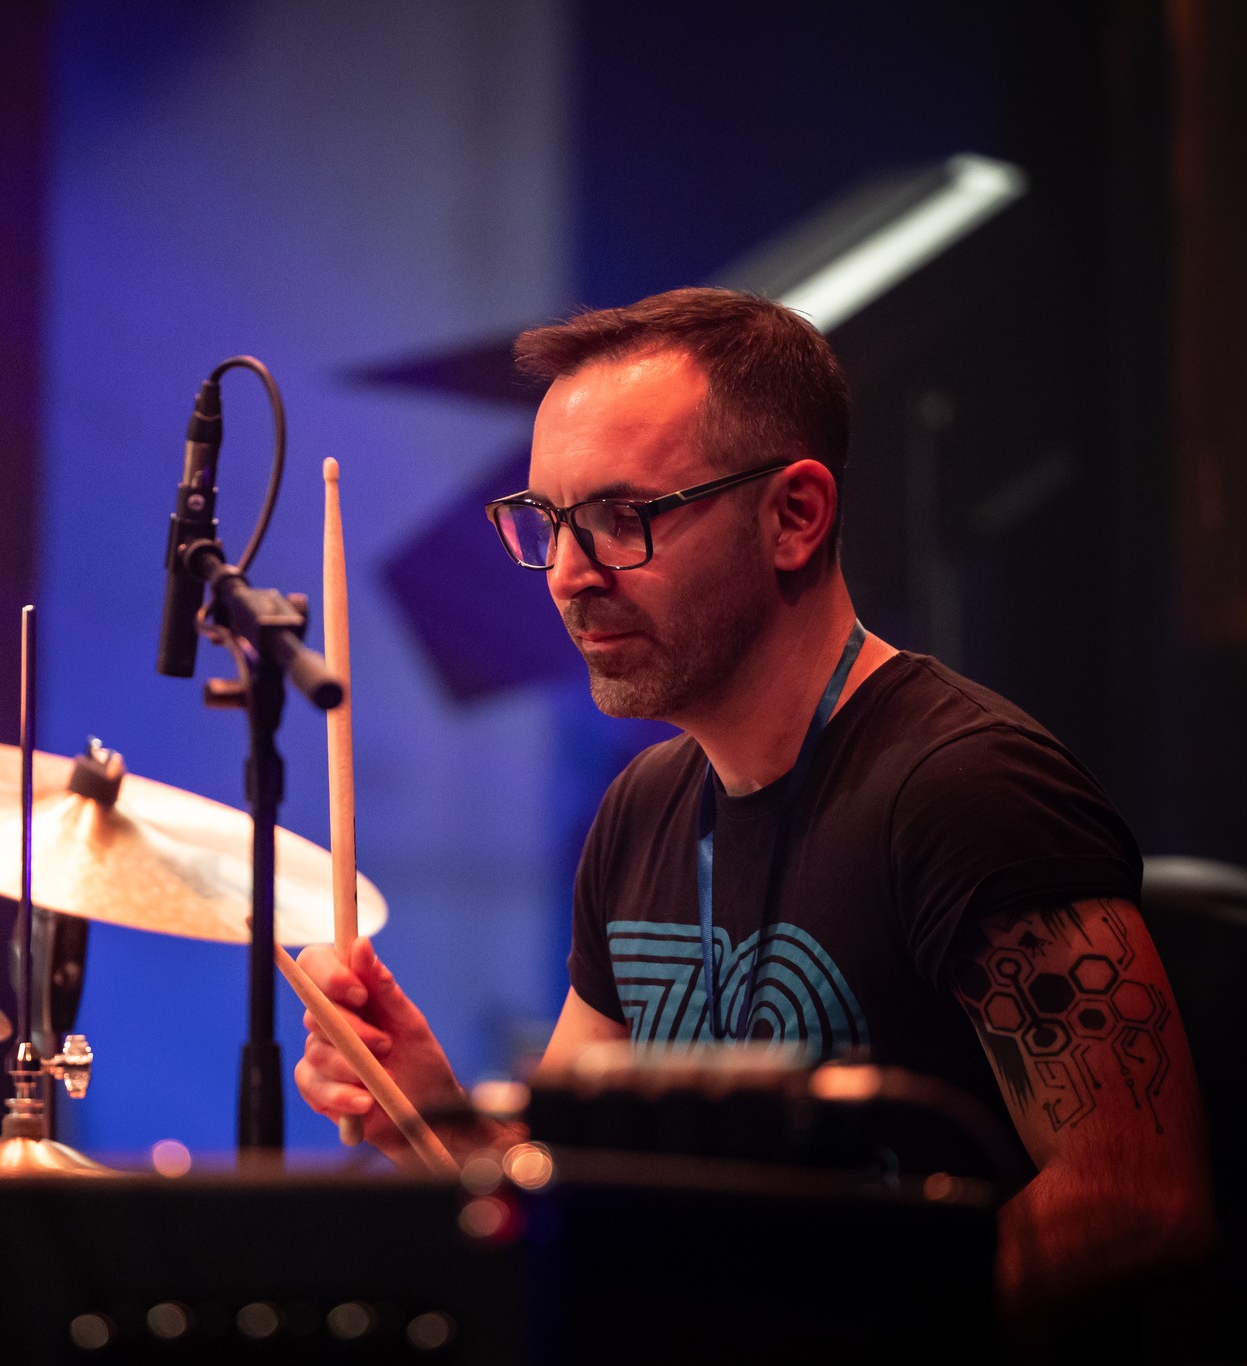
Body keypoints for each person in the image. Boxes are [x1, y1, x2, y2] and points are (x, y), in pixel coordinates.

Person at [293, 288, 1214, 1329]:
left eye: (621, 517)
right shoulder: (641, 810)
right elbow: (573, 1189)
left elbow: (1137, 1197)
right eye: (547, 522)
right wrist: (426, 1106)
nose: (567, 575)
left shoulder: (967, 790)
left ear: (794, 516)